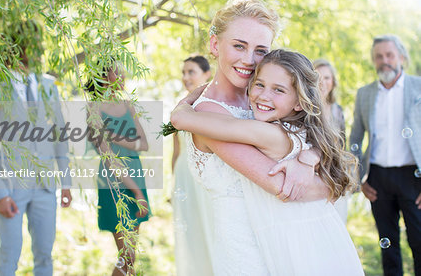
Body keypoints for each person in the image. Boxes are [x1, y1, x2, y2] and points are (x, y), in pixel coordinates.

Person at [169, 0, 330, 275]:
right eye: (239, 45)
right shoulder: (209, 113)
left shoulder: (263, 100)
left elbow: (313, 134)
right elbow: (282, 186)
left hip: (288, 240)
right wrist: (331, 186)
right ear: (215, 44)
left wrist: (308, 158)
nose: (249, 60)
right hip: (248, 251)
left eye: (260, 50)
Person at [172, 49, 363, 275]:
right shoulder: (303, 133)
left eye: (278, 90)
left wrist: (187, 102)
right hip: (317, 236)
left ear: (299, 102)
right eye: (259, 84)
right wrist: (311, 156)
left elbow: (181, 119)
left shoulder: (268, 134)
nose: (263, 96)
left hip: (296, 245)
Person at [0, 20, 72, 276]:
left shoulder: (49, 86)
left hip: (45, 186)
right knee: (8, 257)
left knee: (45, 256)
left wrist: (67, 182)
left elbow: (59, 136)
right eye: (33, 43)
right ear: (16, 47)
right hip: (10, 188)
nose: (39, 49)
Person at [350, 35, 421, 276]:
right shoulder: (364, 94)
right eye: (379, 56)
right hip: (377, 178)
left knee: (419, 243)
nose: (384, 61)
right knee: (388, 247)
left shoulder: (419, 87)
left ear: (401, 57)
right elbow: (356, 140)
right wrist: (359, 179)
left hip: (413, 176)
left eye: (389, 55)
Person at [85, 62, 150, 276]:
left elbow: (145, 144)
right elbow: (109, 159)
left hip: (136, 175)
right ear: (104, 75)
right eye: (117, 72)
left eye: (123, 71)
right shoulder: (93, 109)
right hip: (115, 183)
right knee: (126, 256)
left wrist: (115, 137)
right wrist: (137, 192)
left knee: (131, 258)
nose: (123, 76)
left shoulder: (128, 103)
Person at [171, 56, 214, 276]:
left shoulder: (213, 105)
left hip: (206, 173)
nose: (186, 77)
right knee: (190, 230)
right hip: (183, 174)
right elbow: (176, 149)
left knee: (210, 225)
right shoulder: (180, 106)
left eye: (191, 72)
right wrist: (173, 182)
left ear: (207, 74)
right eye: (184, 72)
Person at [314, 59, 349, 223]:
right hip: (313, 173)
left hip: (334, 173)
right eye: (318, 77)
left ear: (333, 82)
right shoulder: (304, 108)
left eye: (327, 78)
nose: (322, 82)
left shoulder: (338, 111)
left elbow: (343, 147)